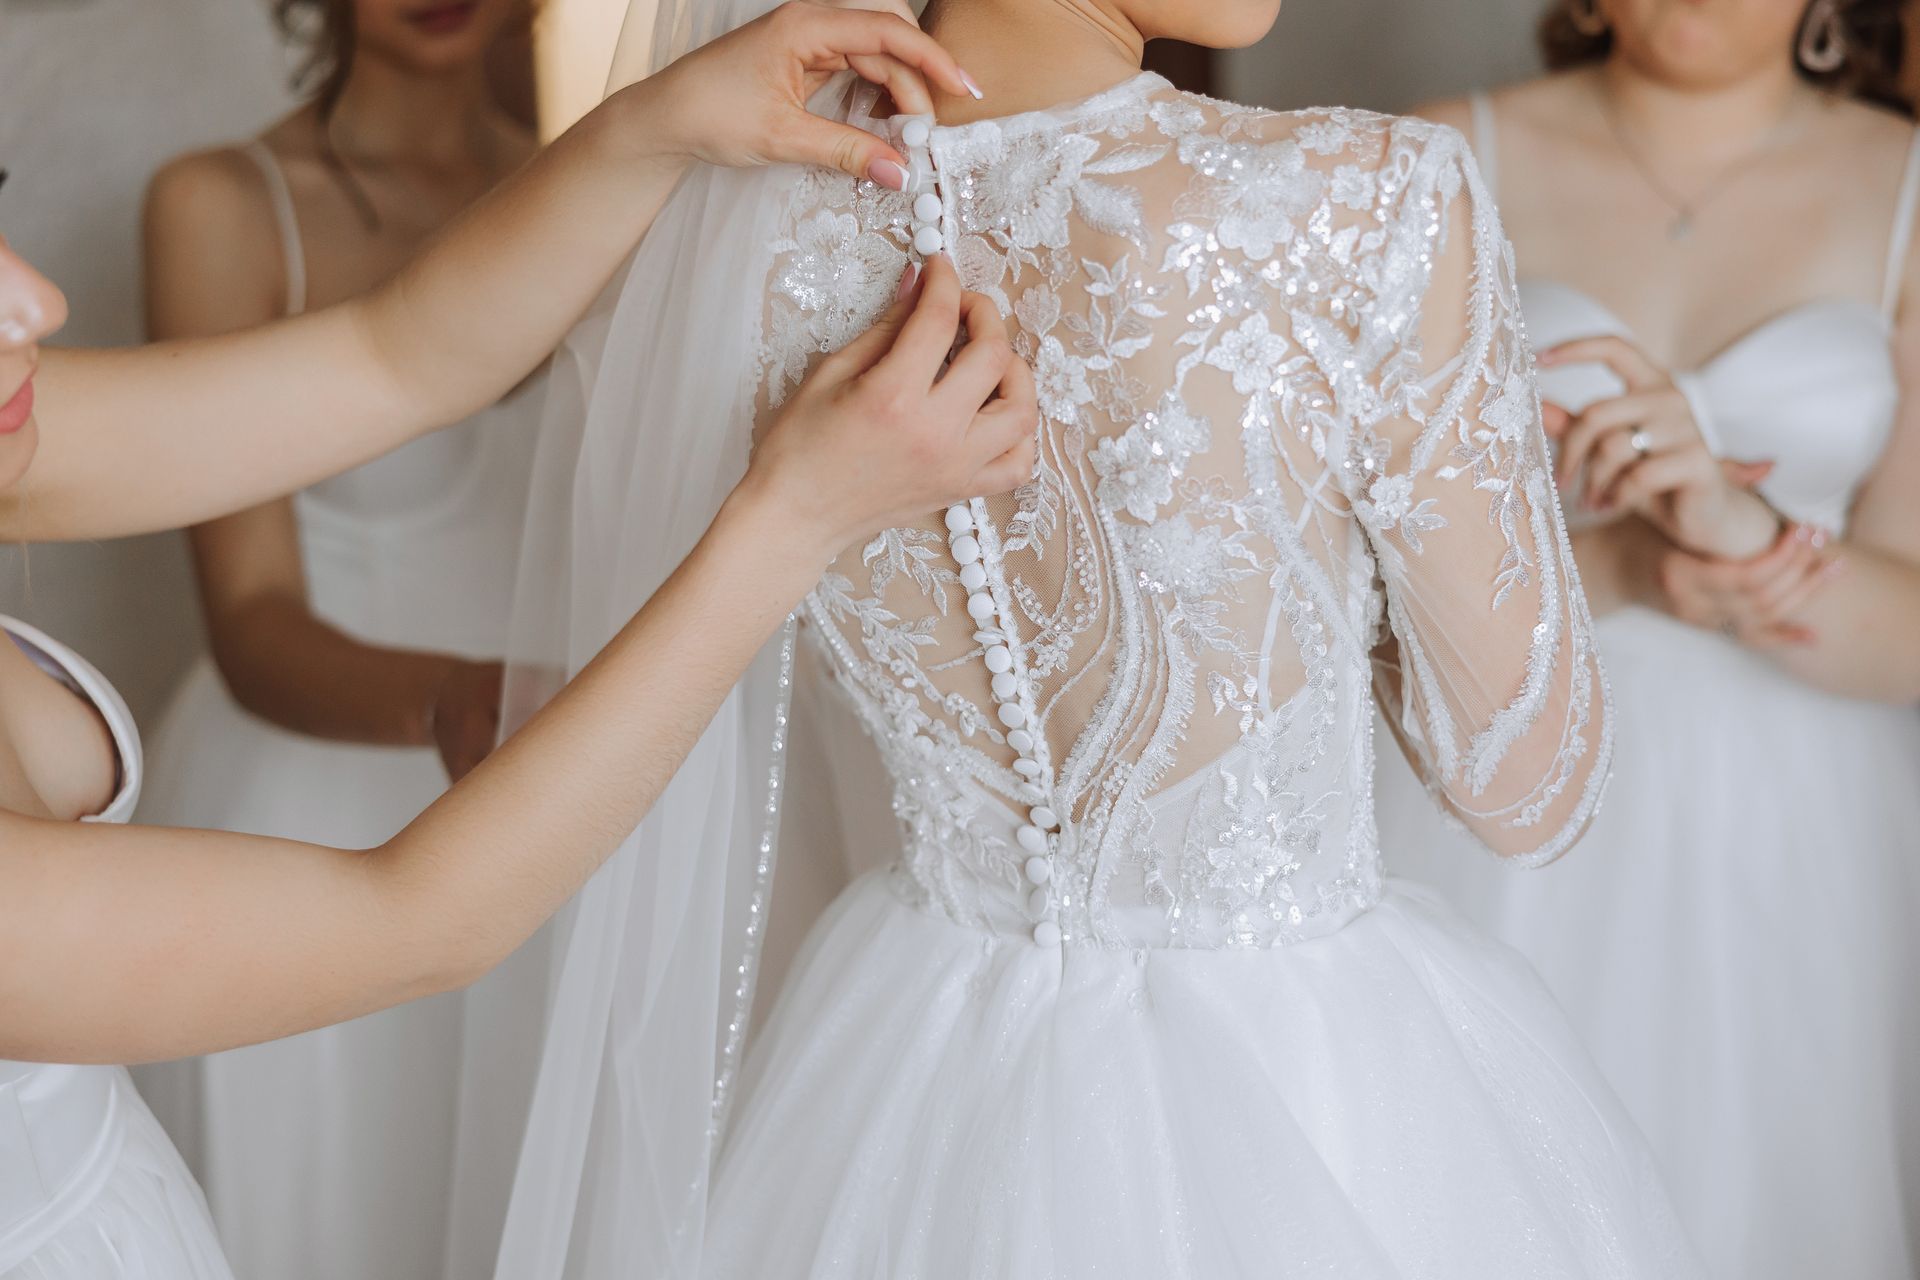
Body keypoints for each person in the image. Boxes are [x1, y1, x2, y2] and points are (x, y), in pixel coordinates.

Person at [488, 0, 1707, 1275]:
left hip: (912, 1071)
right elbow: (1529, 787)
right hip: (1310, 1069)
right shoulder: (1370, 198)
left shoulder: (732, 249)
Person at [0, 6, 1035, 1275]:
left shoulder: (24, 449)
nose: (33, 297)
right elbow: (413, 919)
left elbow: (397, 356)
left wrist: (659, 121)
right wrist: (795, 514)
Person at [1388, 2, 1920, 1274]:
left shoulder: (1907, 188)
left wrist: (1741, 538)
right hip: (1508, 777)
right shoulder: (1426, 163)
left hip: (1810, 825)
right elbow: (1347, 581)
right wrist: (1620, 564)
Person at [131, 2, 546, 1271]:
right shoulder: (222, 204)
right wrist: (456, 703)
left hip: (549, 789)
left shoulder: (592, 183)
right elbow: (252, 621)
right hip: (313, 802)